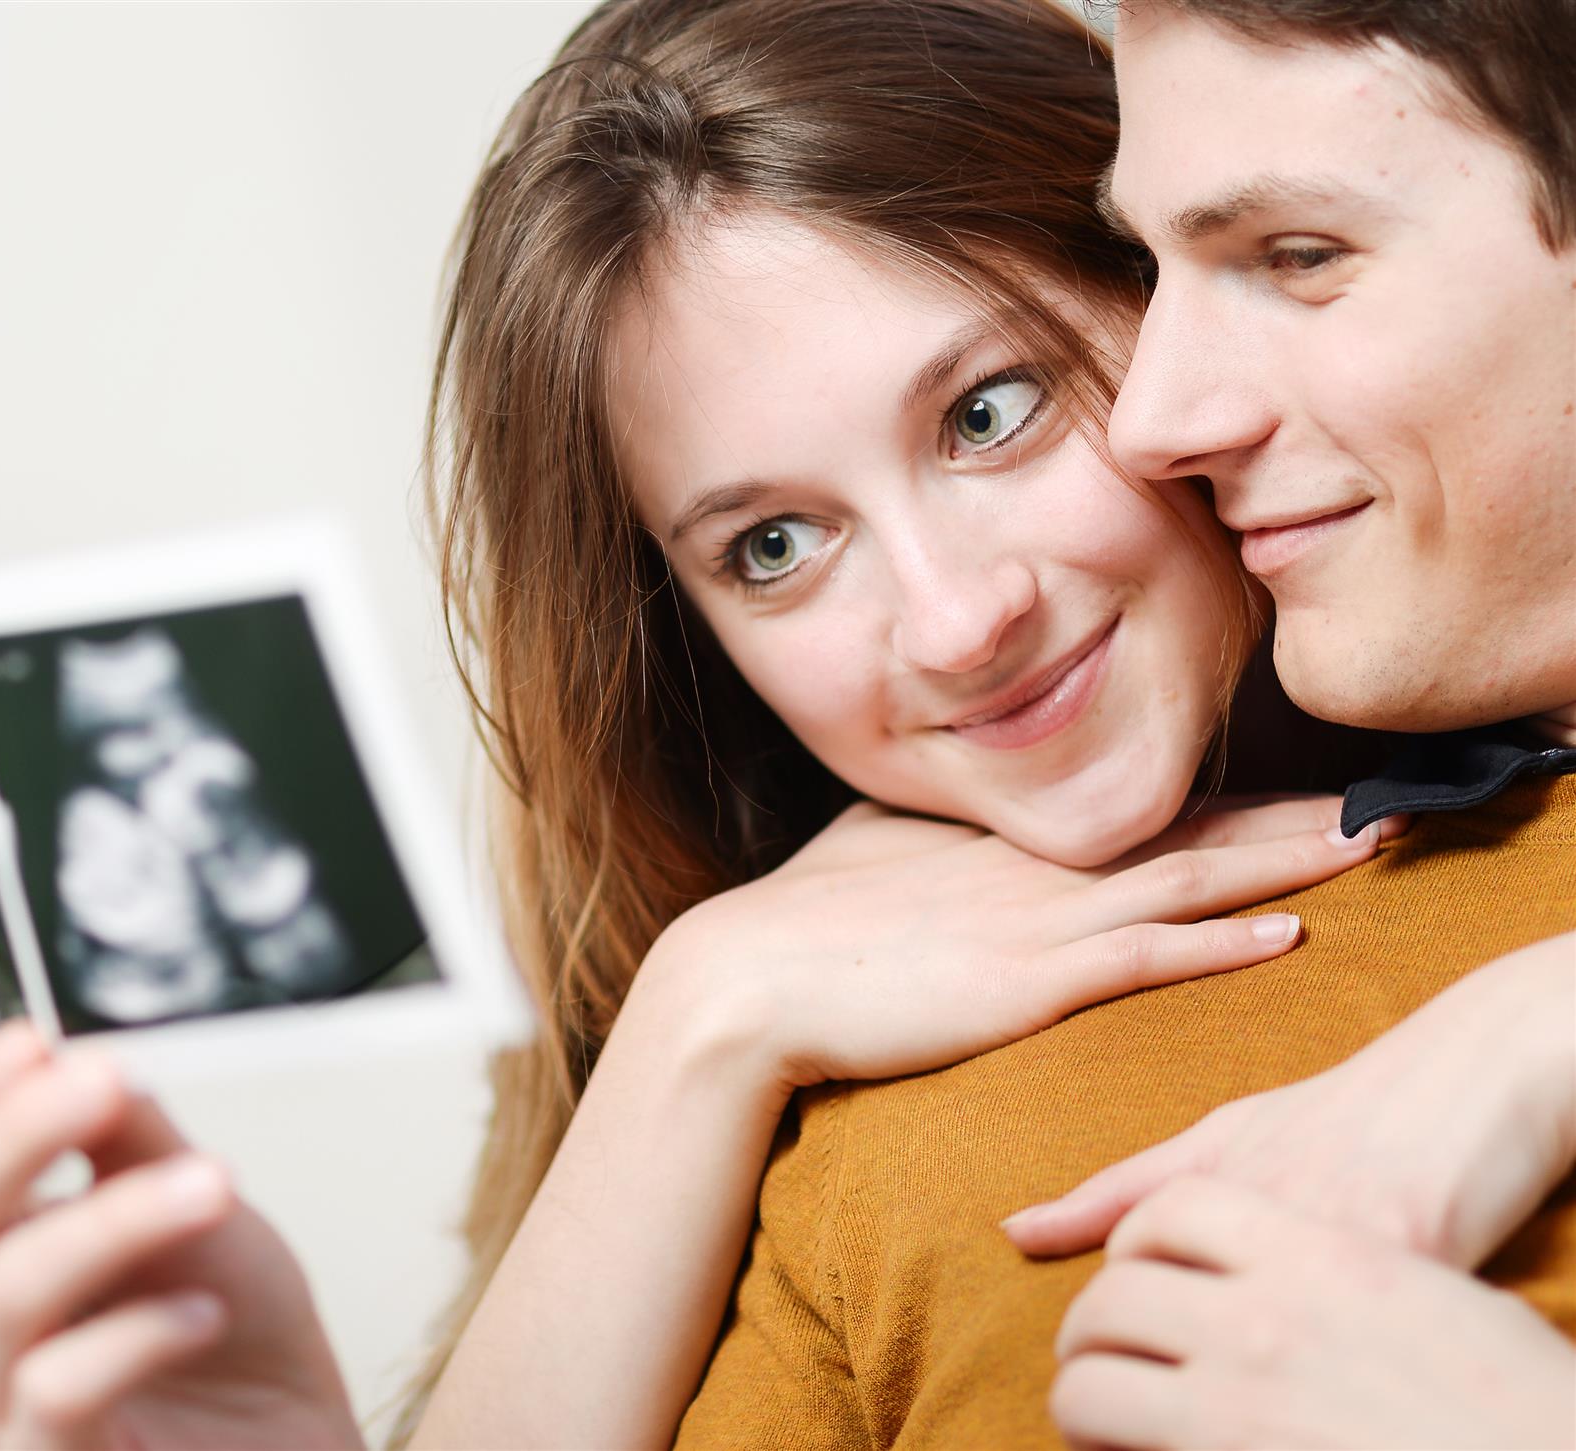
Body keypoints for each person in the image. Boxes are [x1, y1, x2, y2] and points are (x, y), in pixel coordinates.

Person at [0, 1, 1572, 1447]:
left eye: (991, 411)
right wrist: (697, 1026)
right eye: (771, 547)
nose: (959, 621)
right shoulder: (794, 1149)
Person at [673, 1, 1576, 1447]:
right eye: (770, 543)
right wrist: (693, 1022)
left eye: (1300, 257)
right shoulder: (871, 1115)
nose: (1163, 417)